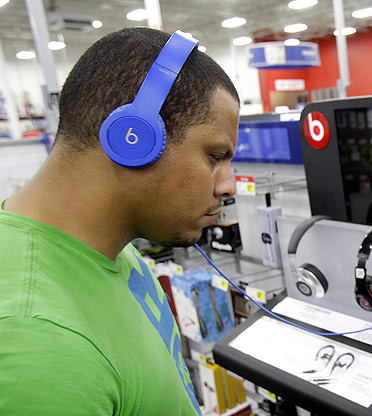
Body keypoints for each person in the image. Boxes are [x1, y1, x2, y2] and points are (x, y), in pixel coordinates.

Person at [0, 28, 239, 415]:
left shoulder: (105, 248)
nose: (228, 185)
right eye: (215, 155)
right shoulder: (39, 339)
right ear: (134, 137)